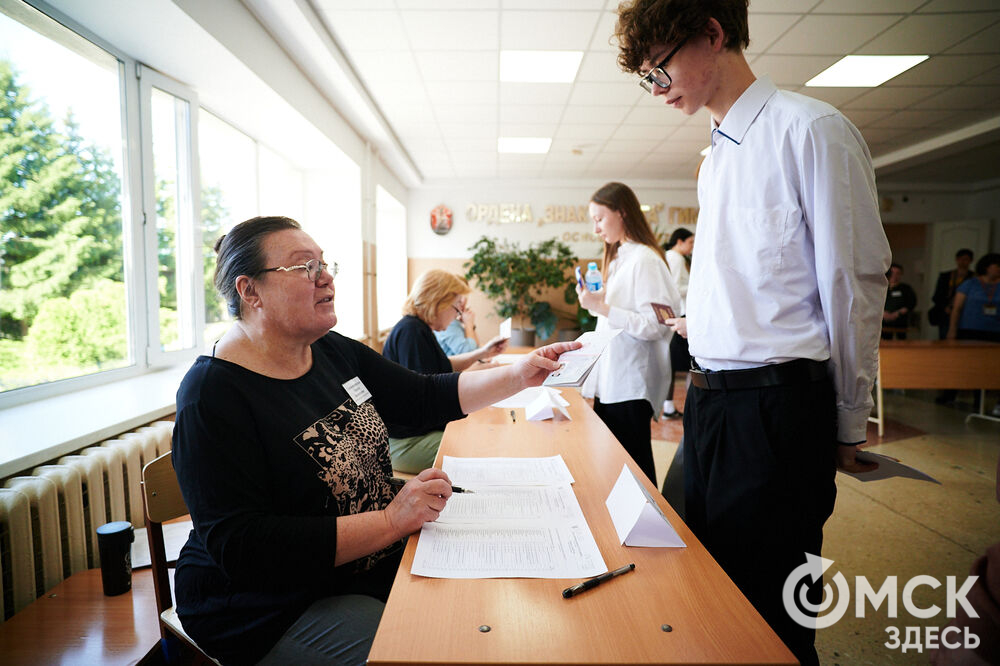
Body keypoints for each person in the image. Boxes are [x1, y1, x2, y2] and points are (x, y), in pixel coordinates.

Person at [613, 2, 890, 664]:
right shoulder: (714, 159)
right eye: (646, 79)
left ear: (713, 34)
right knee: (704, 588)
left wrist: (849, 420)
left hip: (775, 406)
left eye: (659, 70)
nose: (656, 90)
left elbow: (851, 285)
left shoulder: (811, 130)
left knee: (768, 615)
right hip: (709, 404)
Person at [172, 216, 578, 665]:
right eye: (305, 267)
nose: (325, 278)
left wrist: (520, 375)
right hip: (267, 606)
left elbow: (423, 396)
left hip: (363, 561)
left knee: (479, 607)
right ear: (250, 291)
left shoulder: (330, 350)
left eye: (324, 264)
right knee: (433, 652)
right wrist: (390, 520)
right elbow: (244, 546)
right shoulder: (213, 394)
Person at [576, 182, 681, 484]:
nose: (596, 228)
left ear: (621, 213)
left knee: (634, 474)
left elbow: (657, 325)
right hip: (613, 381)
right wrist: (596, 304)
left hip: (631, 384)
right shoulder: (621, 258)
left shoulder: (645, 260)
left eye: (599, 219)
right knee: (614, 469)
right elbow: (616, 317)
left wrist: (603, 307)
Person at [382, 270, 508, 473]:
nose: (457, 316)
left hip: (417, 433)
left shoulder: (418, 328)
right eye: (456, 308)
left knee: (484, 438)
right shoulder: (411, 332)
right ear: (438, 302)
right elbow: (430, 392)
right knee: (482, 450)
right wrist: (480, 375)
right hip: (406, 441)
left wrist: (483, 352)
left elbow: (443, 365)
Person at [662, 227, 694, 418]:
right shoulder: (675, 257)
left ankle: (670, 407)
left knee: (675, 364)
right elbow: (673, 287)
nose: (692, 246)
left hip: (679, 314)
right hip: (681, 315)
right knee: (686, 363)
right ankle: (673, 407)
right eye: (690, 242)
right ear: (679, 241)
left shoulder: (672, 257)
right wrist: (695, 286)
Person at [930, 248, 974, 340]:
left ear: (970, 261)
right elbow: (937, 296)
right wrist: (945, 307)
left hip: (964, 313)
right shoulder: (946, 276)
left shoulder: (973, 277)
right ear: (957, 260)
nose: (963, 262)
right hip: (946, 312)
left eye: (966, 259)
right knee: (945, 337)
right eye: (961, 259)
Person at [434, 291, 480, 356]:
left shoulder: (455, 322)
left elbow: (477, 348)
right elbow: (469, 353)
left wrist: (470, 325)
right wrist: (468, 324)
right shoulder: (448, 323)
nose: (464, 300)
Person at [882, 263, 917, 340]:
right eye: (892, 273)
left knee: (901, 341)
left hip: (900, 322)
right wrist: (883, 313)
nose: (894, 275)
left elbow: (911, 303)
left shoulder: (906, 288)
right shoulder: (882, 288)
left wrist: (897, 313)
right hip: (883, 322)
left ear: (901, 274)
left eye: (897, 273)